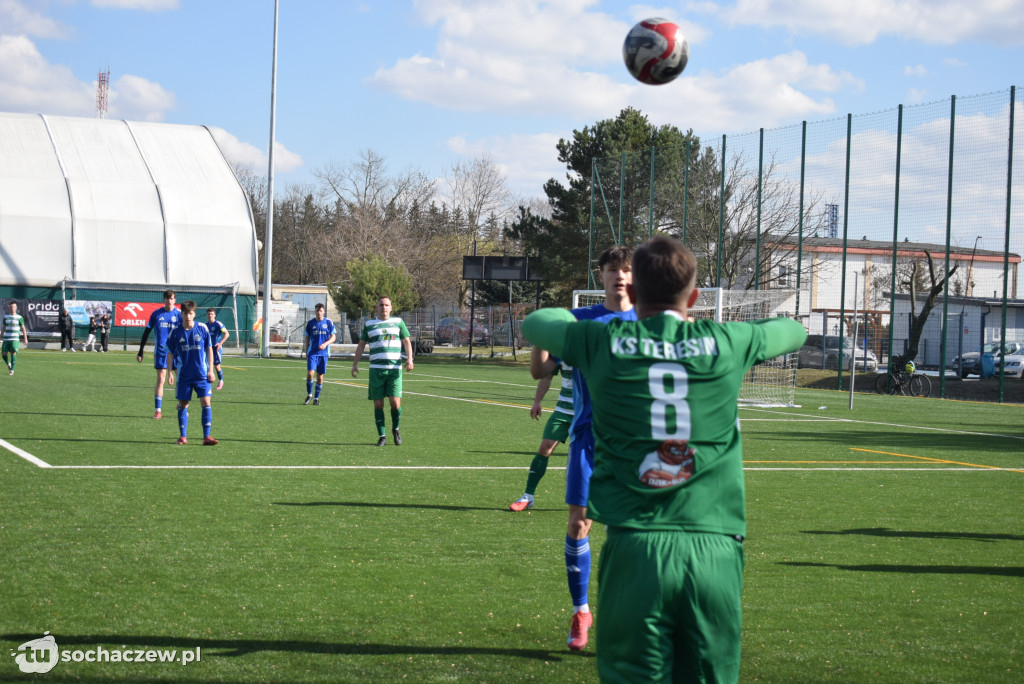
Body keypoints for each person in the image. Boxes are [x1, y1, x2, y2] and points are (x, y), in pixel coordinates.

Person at [522, 236, 807, 682]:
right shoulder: (729, 340)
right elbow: (792, 330)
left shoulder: (601, 339)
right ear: (694, 298)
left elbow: (537, 322)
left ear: (633, 293)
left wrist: (575, 319)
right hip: (714, 548)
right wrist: (743, 331)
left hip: (636, 547)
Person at [508, 347, 573, 511]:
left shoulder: (595, 347)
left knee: (591, 456)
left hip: (589, 413)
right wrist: (537, 401)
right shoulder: (560, 347)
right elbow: (547, 376)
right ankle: (528, 496)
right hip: (563, 410)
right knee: (545, 448)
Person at [351, 296, 413, 447]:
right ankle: (382, 436)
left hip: (394, 370)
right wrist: (355, 364)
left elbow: (406, 341)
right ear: (376, 307)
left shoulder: (398, 322)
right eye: (381, 305)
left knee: (395, 403)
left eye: (386, 305)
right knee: (378, 405)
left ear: (391, 308)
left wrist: (410, 359)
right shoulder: (369, 324)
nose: (384, 307)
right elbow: (361, 344)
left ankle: (396, 429)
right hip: (376, 370)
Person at [164, 300, 218, 446]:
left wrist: (211, 370)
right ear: (181, 314)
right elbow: (170, 353)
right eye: (185, 313)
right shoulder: (176, 332)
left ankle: (206, 437)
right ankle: (183, 436)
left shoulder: (202, 328)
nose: (188, 316)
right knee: (183, 403)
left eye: (191, 313)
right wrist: (170, 372)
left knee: (206, 402)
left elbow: (209, 349)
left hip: (202, 374)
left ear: (194, 314)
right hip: (184, 376)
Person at [137, 290, 182, 420]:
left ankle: (181, 405)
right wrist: (141, 351)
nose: (169, 300)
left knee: (181, 378)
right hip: (161, 352)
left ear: (175, 300)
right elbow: (146, 331)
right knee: (161, 379)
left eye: (171, 298)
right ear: (163, 300)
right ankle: (158, 410)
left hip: (177, 352)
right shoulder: (156, 314)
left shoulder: (180, 314)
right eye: (167, 298)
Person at [303, 303, 336, 405]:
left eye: (321, 310)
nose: (319, 312)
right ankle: (309, 395)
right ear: (315, 311)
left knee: (320, 377)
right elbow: (307, 338)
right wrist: (306, 351)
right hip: (312, 353)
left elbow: (333, 337)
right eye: (317, 310)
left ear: (324, 311)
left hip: (324, 353)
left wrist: (325, 344)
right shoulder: (310, 323)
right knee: (310, 373)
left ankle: (316, 398)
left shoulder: (328, 322)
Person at [2, 301, 29, 376]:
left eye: (14, 307)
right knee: (3, 354)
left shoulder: (19, 317)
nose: (12, 308)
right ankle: (8, 363)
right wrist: (1, 336)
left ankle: (12, 370)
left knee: (13, 353)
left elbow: (23, 328)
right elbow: (3, 327)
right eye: (11, 307)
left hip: (15, 338)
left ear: (16, 308)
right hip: (6, 338)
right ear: (9, 308)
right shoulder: (6, 317)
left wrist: (25, 338)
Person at [205, 308, 230, 390]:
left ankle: (221, 381)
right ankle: (207, 383)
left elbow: (227, 334)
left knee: (216, 365)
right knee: (207, 365)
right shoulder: (205, 325)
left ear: (215, 315)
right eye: (209, 314)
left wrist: (220, 343)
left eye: (212, 314)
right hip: (208, 348)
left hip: (216, 348)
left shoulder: (218, 324)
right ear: (207, 315)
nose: (210, 315)